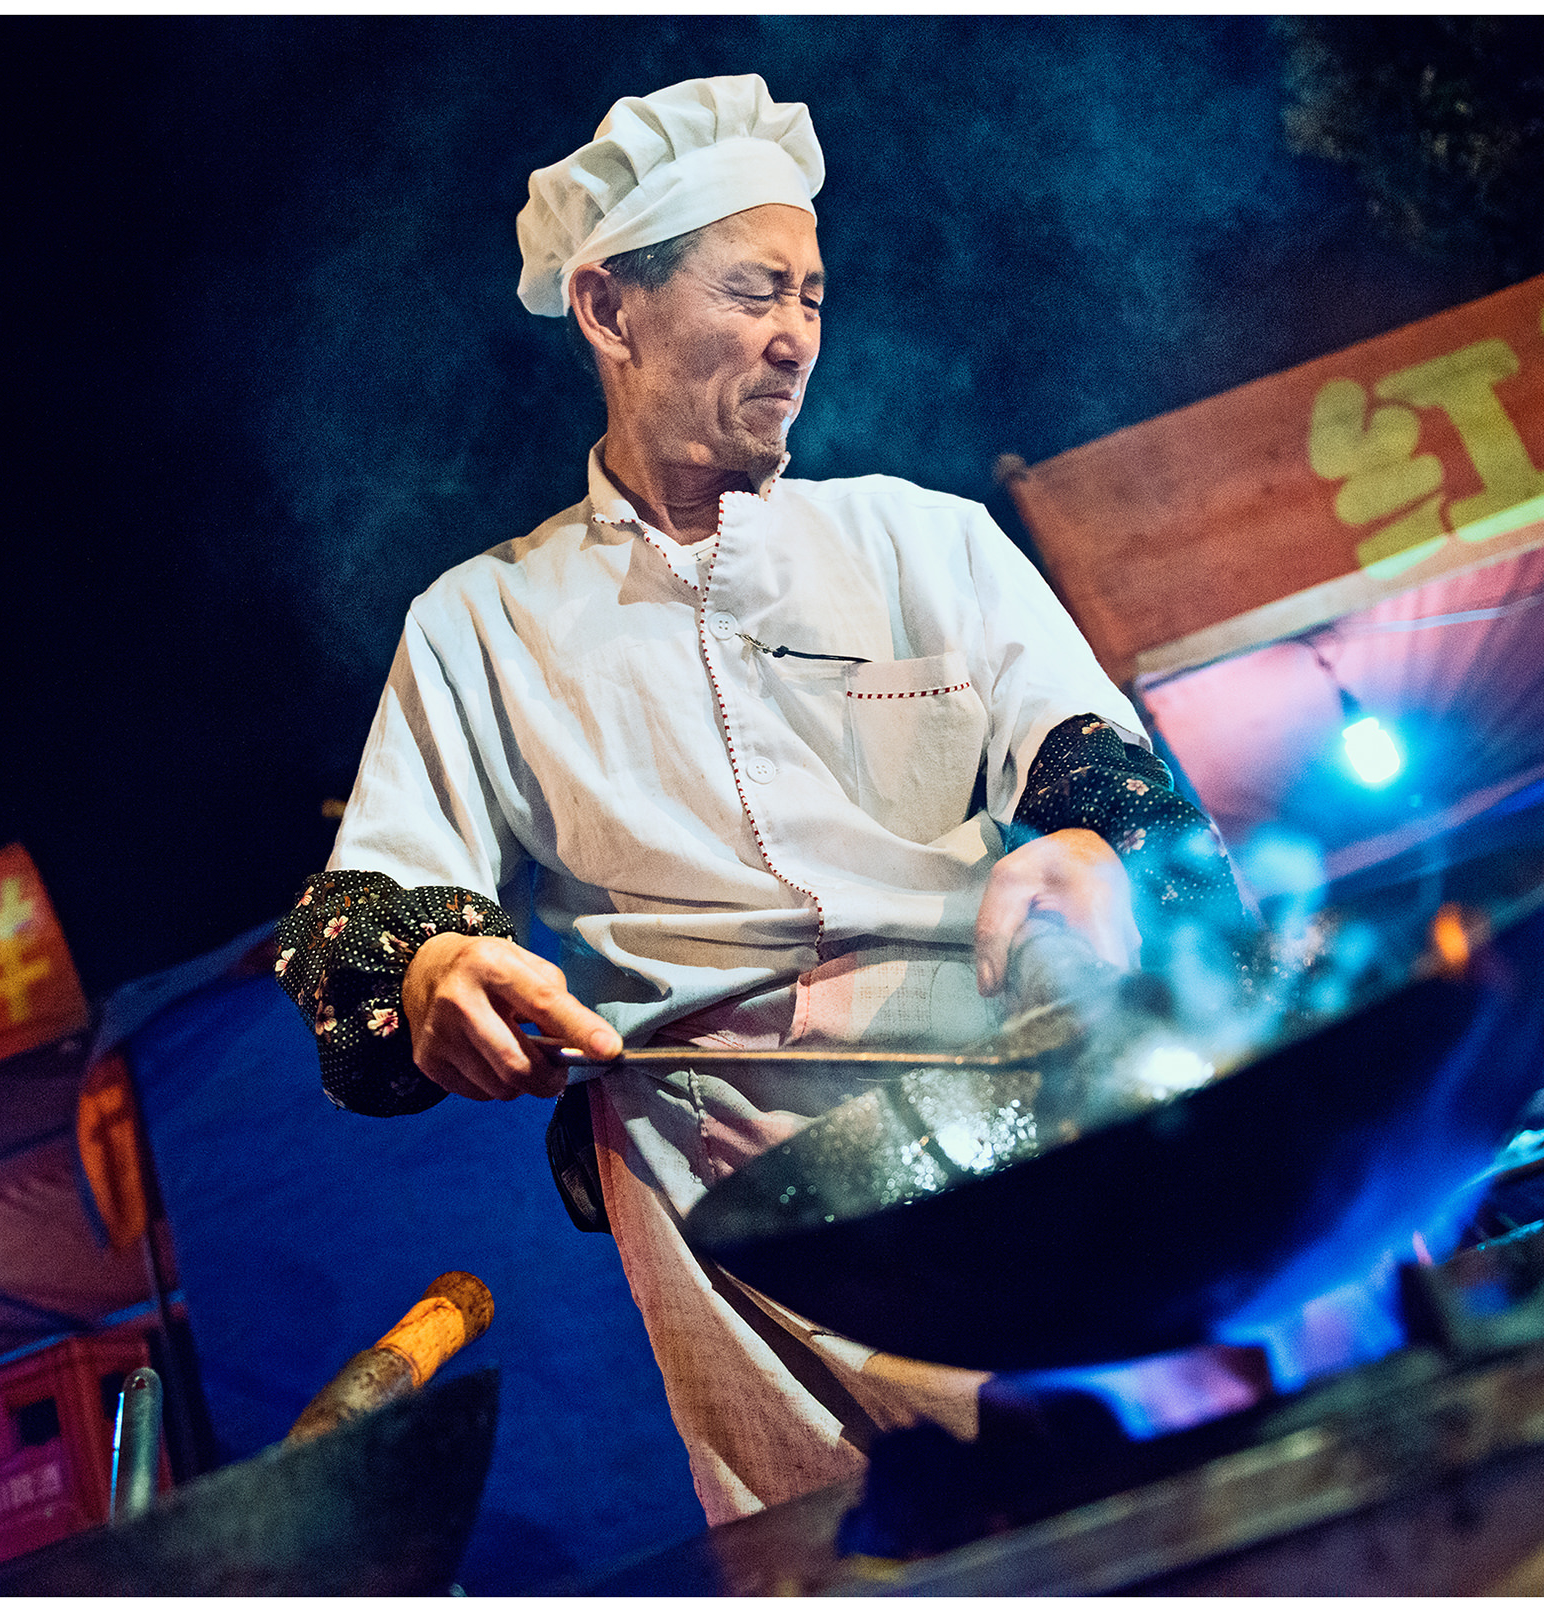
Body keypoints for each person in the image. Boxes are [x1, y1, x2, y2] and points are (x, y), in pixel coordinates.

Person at [275, 75, 1253, 1522]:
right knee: (854, 1553)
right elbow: (367, 907)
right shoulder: (481, 623)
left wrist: (1096, 850)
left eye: (810, 292)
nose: (796, 335)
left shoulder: (925, 539)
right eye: (751, 292)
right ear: (612, 313)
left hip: (1010, 1101)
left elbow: (1107, 773)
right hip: (720, 1194)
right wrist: (429, 969)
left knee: (1166, 1495)